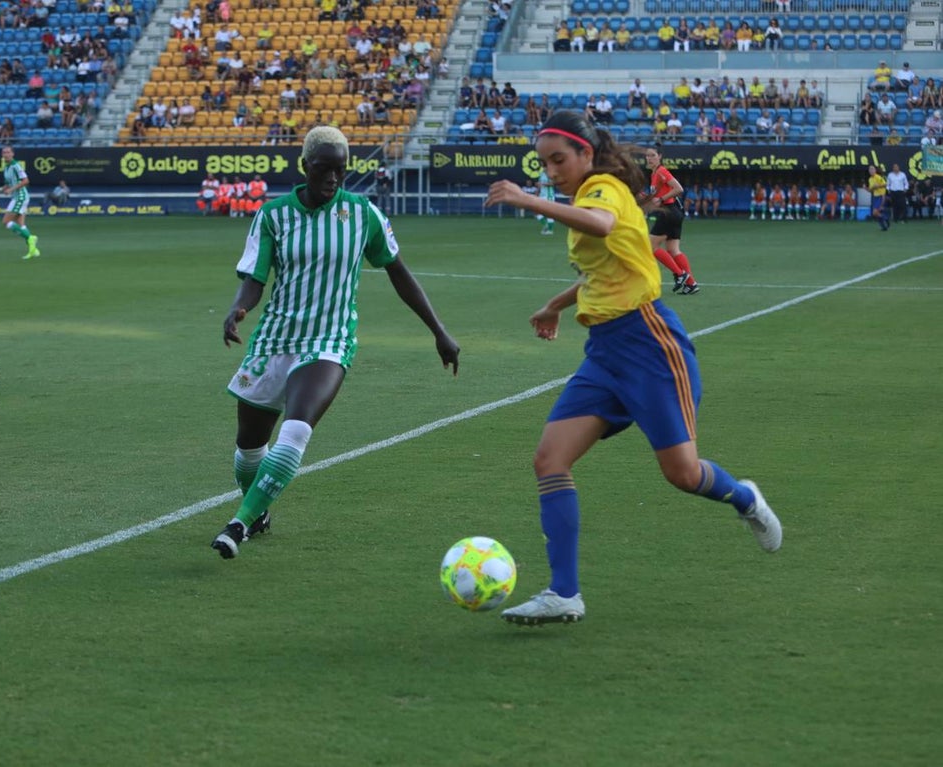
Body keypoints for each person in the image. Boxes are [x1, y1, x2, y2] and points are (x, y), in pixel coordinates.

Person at [481, 111, 781, 625]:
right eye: (543, 163)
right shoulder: (585, 195)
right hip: (604, 352)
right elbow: (606, 267)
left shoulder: (602, 189)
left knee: (683, 474)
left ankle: (744, 496)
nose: (551, 171)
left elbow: (601, 224)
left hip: (649, 344)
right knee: (549, 461)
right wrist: (555, 305)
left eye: (559, 160)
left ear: (587, 155)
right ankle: (564, 593)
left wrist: (526, 197)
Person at [211, 126, 460, 559]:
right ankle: (259, 509)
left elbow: (399, 272)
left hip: (329, 340)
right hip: (273, 339)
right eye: (324, 169)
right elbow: (255, 279)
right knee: (249, 448)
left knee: (297, 429)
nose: (332, 178)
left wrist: (438, 330)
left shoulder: (362, 214)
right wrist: (239, 309)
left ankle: (239, 524)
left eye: (340, 171)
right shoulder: (273, 216)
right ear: (305, 166)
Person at [640, 146, 697, 294]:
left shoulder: (661, 171)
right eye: (647, 156)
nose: (649, 158)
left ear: (659, 156)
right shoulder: (654, 174)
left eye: (652, 155)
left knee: (651, 246)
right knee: (673, 250)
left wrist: (661, 198)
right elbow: (656, 197)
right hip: (674, 213)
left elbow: (679, 189)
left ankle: (680, 274)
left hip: (668, 212)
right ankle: (690, 283)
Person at [0, 146, 41, 259]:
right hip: (16, 197)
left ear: (13, 154)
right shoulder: (7, 167)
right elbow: (8, 184)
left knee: (6, 221)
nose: (6, 154)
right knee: (21, 225)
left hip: (20, 197)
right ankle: (33, 250)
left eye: (8, 152)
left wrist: (12, 189)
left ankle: (30, 238)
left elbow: (26, 181)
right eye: (4, 152)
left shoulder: (16, 166)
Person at [867, 164, 889, 231]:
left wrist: (878, 186)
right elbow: (871, 189)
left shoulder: (878, 177)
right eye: (870, 169)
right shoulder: (870, 179)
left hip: (880, 196)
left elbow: (885, 184)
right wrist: (871, 188)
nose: (871, 171)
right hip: (875, 197)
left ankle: (886, 219)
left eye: (872, 169)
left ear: (875, 170)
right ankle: (884, 226)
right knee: (876, 213)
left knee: (875, 212)